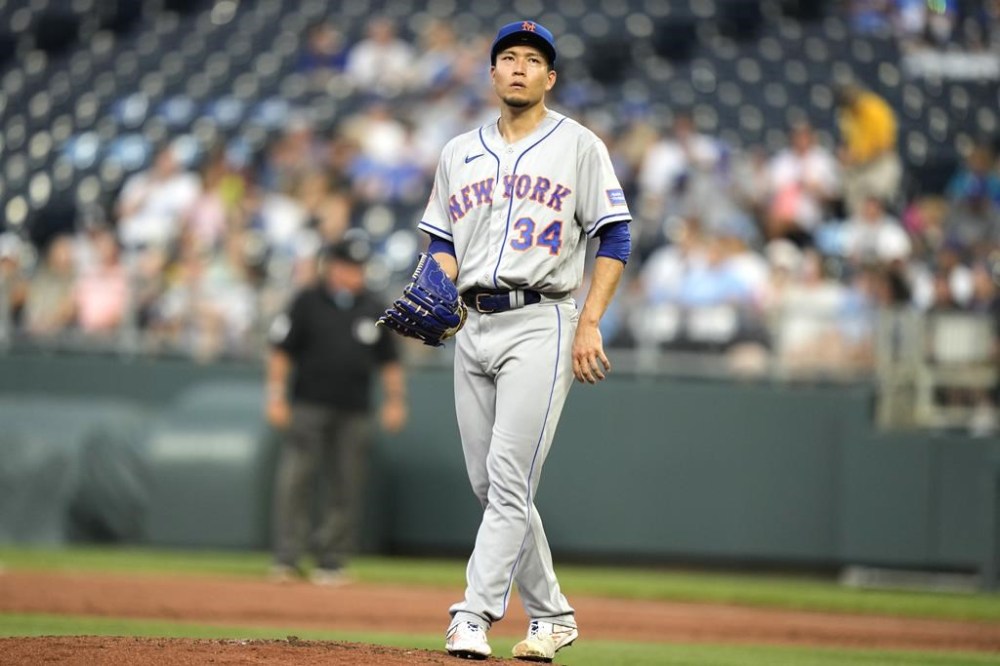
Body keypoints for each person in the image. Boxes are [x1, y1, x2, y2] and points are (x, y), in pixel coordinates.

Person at [415, 20, 632, 661]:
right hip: (470, 323)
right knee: (491, 488)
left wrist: (590, 320)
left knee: (508, 481)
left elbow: (614, 235)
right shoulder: (458, 151)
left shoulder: (579, 145)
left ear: (549, 78)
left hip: (543, 319)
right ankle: (553, 615)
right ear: (492, 73)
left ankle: (472, 615)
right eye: (507, 57)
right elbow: (444, 243)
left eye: (531, 60)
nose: (518, 67)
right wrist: (431, 284)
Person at [265, 233, 407, 585]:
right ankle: (287, 557)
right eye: (348, 265)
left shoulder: (374, 306)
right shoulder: (307, 301)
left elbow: (389, 361)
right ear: (333, 266)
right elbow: (281, 351)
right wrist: (276, 396)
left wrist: (395, 401)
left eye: (359, 266)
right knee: (296, 480)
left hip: (354, 409)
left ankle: (332, 560)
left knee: (346, 484)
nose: (354, 272)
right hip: (308, 405)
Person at [834, 83, 901, 217]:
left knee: (877, 193)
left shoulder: (874, 108)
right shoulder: (845, 113)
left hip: (880, 163)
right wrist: (844, 153)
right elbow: (846, 141)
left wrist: (858, 156)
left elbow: (885, 146)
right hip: (858, 166)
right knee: (849, 194)